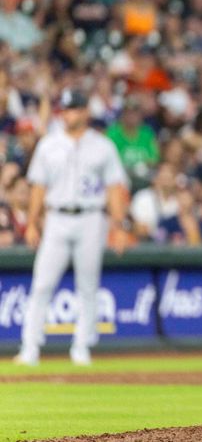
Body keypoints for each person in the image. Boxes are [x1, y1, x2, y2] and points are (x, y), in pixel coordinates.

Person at [13, 89, 129, 367]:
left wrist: (119, 225)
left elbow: (114, 187)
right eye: (65, 109)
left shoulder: (102, 145)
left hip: (91, 217)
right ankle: (30, 348)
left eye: (74, 109)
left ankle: (82, 348)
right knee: (42, 283)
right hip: (56, 217)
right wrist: (32, 223)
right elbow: (38, 187)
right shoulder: (49, 144)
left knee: (87, 285)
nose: (69, 114)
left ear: (85, 111)